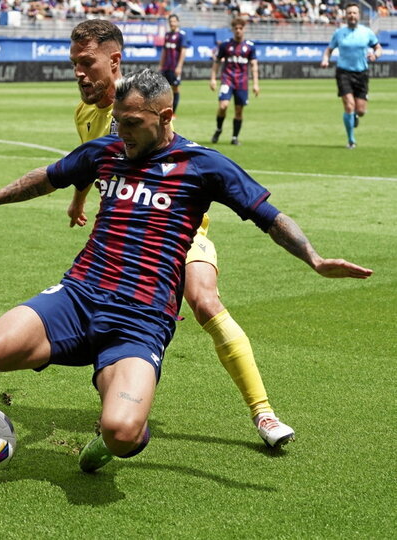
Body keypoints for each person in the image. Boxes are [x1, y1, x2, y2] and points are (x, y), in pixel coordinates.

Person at [0, 68, 373, 494]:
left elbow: (269, 216)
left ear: (165, 117)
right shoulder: (106, 152)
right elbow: (48, 176)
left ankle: (114, 432)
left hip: (140, 322)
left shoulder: (204, 166)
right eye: (118, 120)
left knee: (121, 434)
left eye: (133, 123)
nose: (121, 131)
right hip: (77, 297)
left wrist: (314, 259)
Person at [68, 19, 294, 449]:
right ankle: (119, 421)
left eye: (86, 63)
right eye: (74, 63)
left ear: (112, 63)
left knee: (205, 302)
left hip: (176, 230)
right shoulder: (84, 114)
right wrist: (79, 198)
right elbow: (90, 162)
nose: (79, 72)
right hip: (125, 240)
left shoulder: (140, 107)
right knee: (110, 319)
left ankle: (263, 413)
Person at [320, 3, 382, 149]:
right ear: (345, 15)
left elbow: (378, 48)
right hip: (343, 72)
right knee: (349, 105)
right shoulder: (339, 33)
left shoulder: (366, 32)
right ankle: (351, 140)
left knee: (360, 111)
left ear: (358, 15)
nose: (352, 16)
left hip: (361, 73)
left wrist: (376, 55)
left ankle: (354, 116)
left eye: (354, 13)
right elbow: (329, 50)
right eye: (349, 13)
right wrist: (325, 59)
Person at [209, 17, 259, 146]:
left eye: (240, 28)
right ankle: (219, 129)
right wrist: (213, 79)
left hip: (242, 82)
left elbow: (254, 65)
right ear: (232, 30)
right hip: (227, 80)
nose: (238, 31)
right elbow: (217, 62)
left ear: (244, 29)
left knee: (238, 111)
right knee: (223, 106)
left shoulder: (250, 46)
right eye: (236, 28)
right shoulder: (225, 45)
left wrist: (255, 84)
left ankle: (234, 137)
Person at [158, 13, 188, 116]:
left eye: (174, 21)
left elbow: (183, 52)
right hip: (166, 66)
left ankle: (173, 113)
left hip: (175, 67)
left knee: (175, 88)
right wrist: (161, 65)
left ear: (178, 22)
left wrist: (179, 66)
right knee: (163, 89)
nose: (172, 23)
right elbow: (164, 51)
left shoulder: (181, 35)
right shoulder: (167, 35)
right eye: (170, 21)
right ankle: (163, 110)